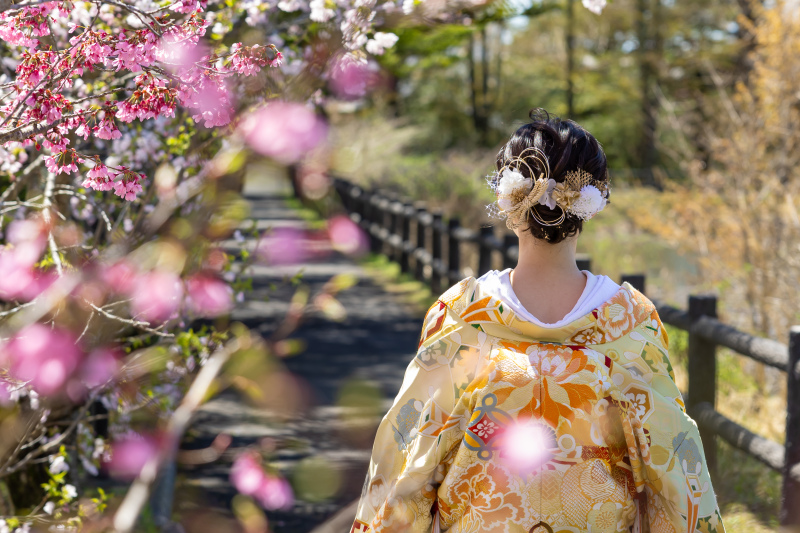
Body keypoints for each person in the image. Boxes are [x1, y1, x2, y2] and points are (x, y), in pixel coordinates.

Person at [351, 110, 724, 533]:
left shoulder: (464, 314)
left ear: (510, 198)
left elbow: (410, 458)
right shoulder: (629, 323)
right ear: (593, 200)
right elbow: (672, 471)